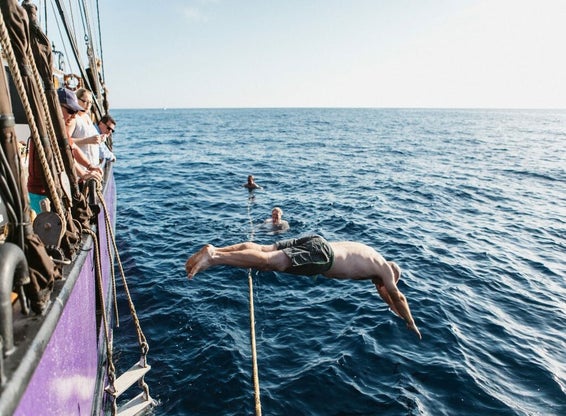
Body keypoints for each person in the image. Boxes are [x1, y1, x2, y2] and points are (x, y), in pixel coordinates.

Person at [185, 234, 422, 339]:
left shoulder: (372, 255)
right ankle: (215, 256)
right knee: (269, 262)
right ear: (391, 275)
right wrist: (410, 321)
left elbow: (386, 295)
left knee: (264, 250)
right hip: (324, 256)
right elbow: (396, 296)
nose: (382, 287)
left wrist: (393, 307)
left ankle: (216, 249)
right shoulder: (385, 269)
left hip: (318, 242)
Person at [68, 88, 107, 167]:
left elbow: (90, 136)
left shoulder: (87, 117)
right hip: (82, 167)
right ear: (76, 100)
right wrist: (87, 140)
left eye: (90, 102)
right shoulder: (73, 119)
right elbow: (66, 141)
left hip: (94, 165)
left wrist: (101, 138)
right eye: (85, 101)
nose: (88, 105)